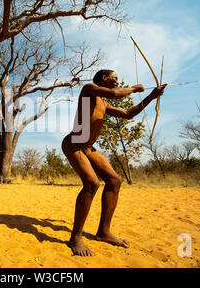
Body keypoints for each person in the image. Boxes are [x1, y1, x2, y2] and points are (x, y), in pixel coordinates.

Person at [61, 69, 166, 256]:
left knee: (114, 181)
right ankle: (75, 237)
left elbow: (127, 114)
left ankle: (103, 232)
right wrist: (133, 88)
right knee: (92, 183)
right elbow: (114, 93)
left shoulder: (104, 102)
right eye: (115, 78)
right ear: (104, 78)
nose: (117, 81)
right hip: (74, 143)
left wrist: (151, 96)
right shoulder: (89, 89)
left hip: (88, 147)